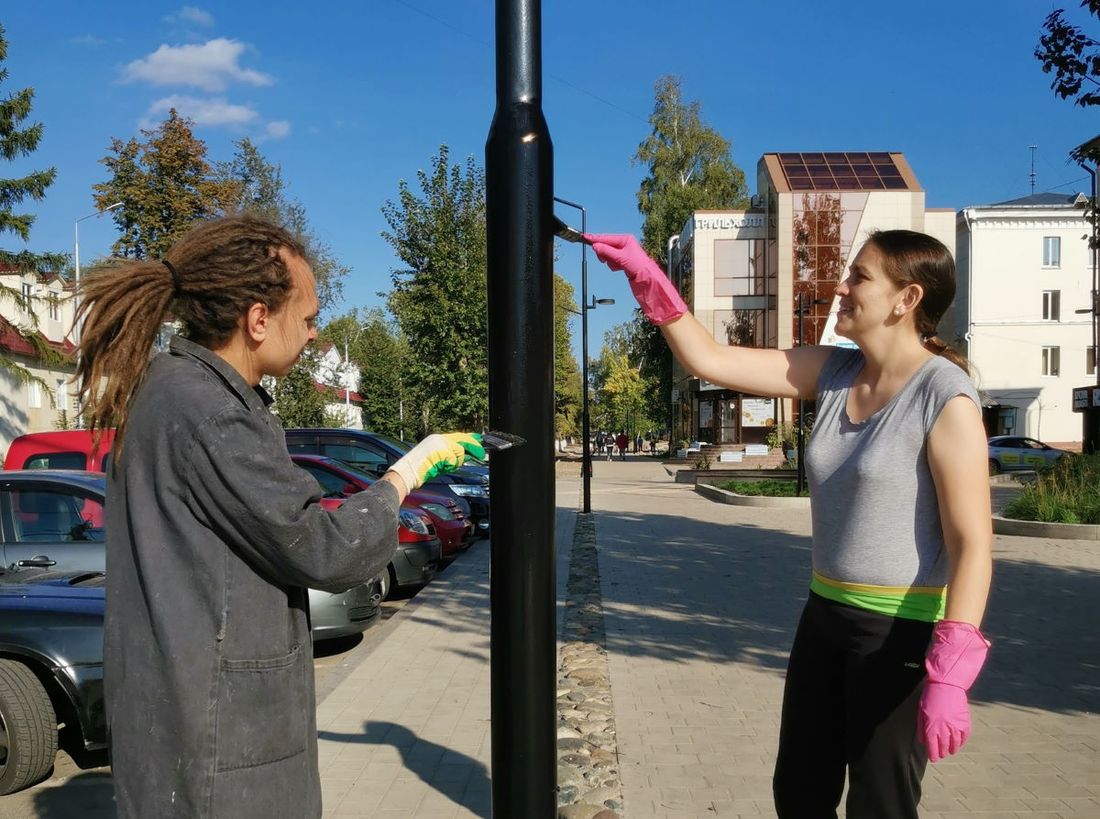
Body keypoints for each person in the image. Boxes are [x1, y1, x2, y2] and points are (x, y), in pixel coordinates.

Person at [73, 215, 482, 819]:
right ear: (258, 319)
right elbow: (325, 549)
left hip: (187, 730)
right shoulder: (210, 413)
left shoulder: (172, 391)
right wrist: (406, 473)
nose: (315, 333)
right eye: (309, 317)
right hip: (219, 750)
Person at [585, 228, 992, 819]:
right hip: (823, 617)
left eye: (859, 277)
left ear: (907, 299)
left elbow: (972, 543)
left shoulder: (944, 396)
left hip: (898, 633)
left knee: (880, 804)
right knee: (799, 794)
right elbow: (712, 359)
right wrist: (647, 276)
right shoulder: (834, 371)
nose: (841, 287)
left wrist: (951, 672)